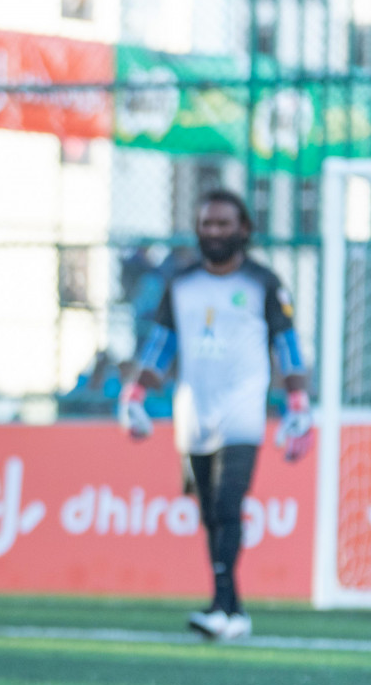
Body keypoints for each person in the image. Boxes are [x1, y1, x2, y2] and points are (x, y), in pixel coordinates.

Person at [118, 189, 311, 641]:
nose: (214, 232)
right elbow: (162, 343)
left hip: (244, 406)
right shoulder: (181, 284)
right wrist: (136, 393)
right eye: (207, 223)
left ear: (243, 228)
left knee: (229, 502)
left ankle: (221, 607)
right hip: (194, 408)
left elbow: (287, 344)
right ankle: (231, 609)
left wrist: (298, 401)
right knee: (209, 511)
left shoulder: (263, 282)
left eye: (223, 224)